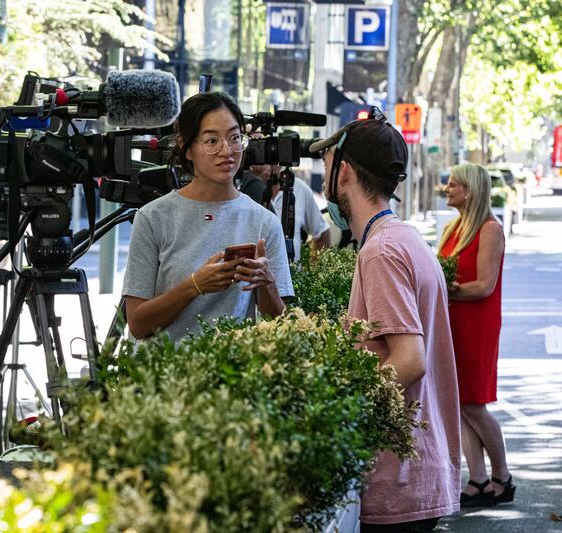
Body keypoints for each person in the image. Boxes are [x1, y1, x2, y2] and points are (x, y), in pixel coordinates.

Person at [310, 110, 461, 532]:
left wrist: (333, 410)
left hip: (397, 481)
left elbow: (410, 360)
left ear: (345, 175)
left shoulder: (381, 251)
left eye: (326, 164)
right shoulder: (403, 238)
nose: (323, 173)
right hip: (413, 477)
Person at [122, 92, 293, 342]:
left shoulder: (264, 221)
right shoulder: (153, 218)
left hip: (232, 375)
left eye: (235, 138)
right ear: (187, 148)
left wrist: (267, 284)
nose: (227, 151)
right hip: (163, 375)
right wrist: (195, 285)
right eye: (211, 141)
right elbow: (137, 324)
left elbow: (280, 327)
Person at [438, 163, 513, 507]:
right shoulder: (454, 227)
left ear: (469, 190)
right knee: (460, 405)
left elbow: (484, 286)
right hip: (453, 322)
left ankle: (503, 477)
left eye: (453, 184)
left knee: (475, 405)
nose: (447, 188)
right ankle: (478, 479)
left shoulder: (489, 230)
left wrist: (448, 290)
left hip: (476, 326)